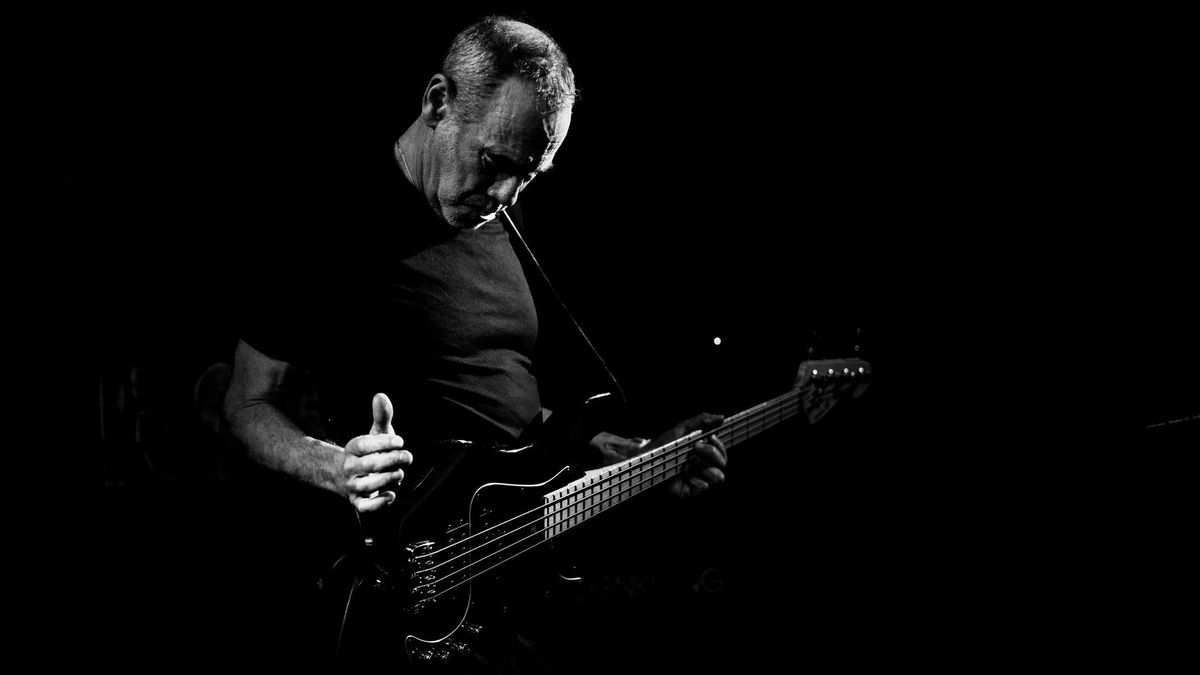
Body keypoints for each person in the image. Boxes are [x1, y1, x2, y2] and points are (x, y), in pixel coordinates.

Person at [223, 15, 727, 670]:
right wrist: (335, 466)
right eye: (494, 163)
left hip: (526, 581)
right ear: (439, 101)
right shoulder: (328, 223)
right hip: (420, 591)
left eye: (530, 173)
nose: (506, 194)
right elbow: (244, 402)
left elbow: (494, 411)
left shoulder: (502, 222)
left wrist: (610, 451)